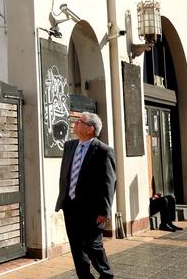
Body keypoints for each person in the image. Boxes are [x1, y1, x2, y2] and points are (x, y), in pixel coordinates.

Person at [55, 112, 116, 279]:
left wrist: (104, 212)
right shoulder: (69, 146)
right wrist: (63, 199)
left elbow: (108, 183)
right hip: (71, 206)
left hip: (93, 210)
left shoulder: (104, 151)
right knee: (77, 247)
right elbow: (65, 175)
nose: (74, 123)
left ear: (90, 129)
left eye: (79, 121)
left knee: (93, 246)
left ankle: (106, 274)